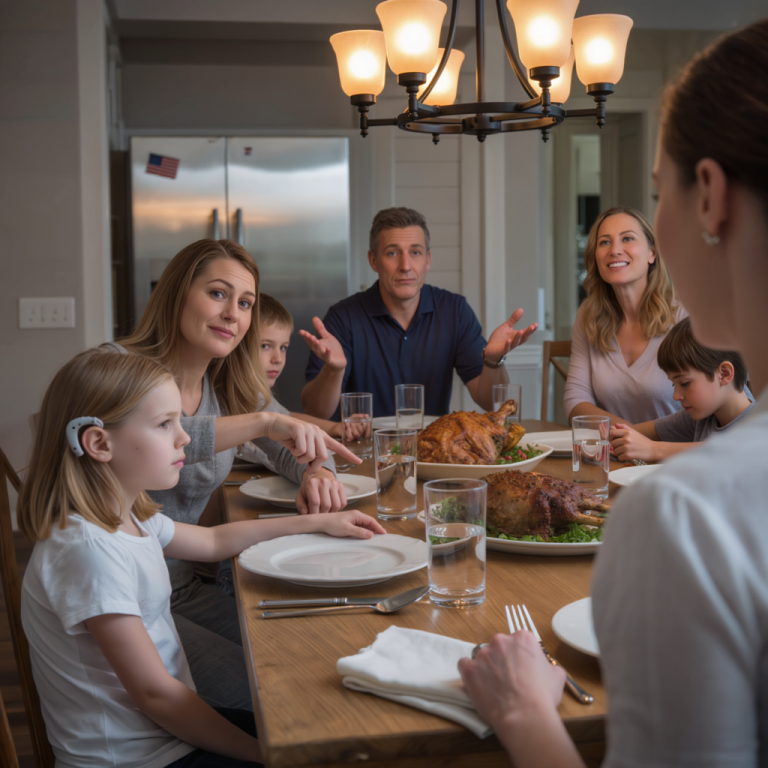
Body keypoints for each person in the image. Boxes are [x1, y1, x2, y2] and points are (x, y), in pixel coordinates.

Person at [458, 18, 768, 768]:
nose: (624, 244)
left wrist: (525, 712)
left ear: (709, 197)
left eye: (658, 195)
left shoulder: (689, 515)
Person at [18, 349, 384, 768]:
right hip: (140, 758)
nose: (185, 438)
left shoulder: (128, 518)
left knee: (325, 733)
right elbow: (156, 695)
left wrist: (318, 524)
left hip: (165, 736)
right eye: (164, 425)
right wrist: (264, 756)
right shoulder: (88, 549)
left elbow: (212, 542)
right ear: (99, 443)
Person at [112, 239, 360, 711]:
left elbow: (294, 438)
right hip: (129, 600)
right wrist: (261, 422)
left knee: (313, 659)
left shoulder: (227, 383)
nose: (233, 314)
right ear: (178, 293)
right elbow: (151, 433)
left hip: (184, 588)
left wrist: (317, 471)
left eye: (244, 303)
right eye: (218, 294)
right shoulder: (121, 368)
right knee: (280, 699)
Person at [300, 207, 537, 418]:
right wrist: (334, 369)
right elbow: (315, 412)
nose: (405, 266)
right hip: (360, 453)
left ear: (428, 260)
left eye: (415, 252)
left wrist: (493, 362)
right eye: (392, 253)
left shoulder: (454, 311)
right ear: (373, 261)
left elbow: (491, 404)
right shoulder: (343, 318)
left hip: (433, 451)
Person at [563, 206, 687, 424]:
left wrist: (644, 441)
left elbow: (722, 407)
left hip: (684, 453)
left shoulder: (686, 314)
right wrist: (631, 438)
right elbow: (576, 399)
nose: (615, 250)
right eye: (604, 242)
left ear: (652, 253)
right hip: (625, 454)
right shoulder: (588, 315)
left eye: (627, 238)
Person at [610, 317, 754, 462]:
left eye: (684, 383)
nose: (676, 396)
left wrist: (653, 449)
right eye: (674, 384)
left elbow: (730, 451)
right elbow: (640, 432)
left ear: (724, 374)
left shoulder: (758, 429)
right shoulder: (702, 417)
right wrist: (617, 436)